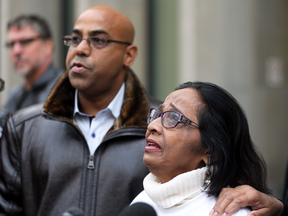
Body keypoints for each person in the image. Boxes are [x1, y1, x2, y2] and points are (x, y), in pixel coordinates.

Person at [0, 6, 160, 216]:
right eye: (75, 39)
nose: (81, 49)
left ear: (128, 55)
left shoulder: (163, 125)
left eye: (98, 40)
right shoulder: (24, 127)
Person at [131, 81, 271, 215]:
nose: (152, 126)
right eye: (157, 115)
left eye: (173, 118)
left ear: (211, 151)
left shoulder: (229, 212)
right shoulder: (141, 204)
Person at [0, 15, 63, 122]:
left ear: (48, 46)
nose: (16, 51)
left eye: (25, 42)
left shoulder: (65, 90)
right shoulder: (15, 95)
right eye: (11, 44)